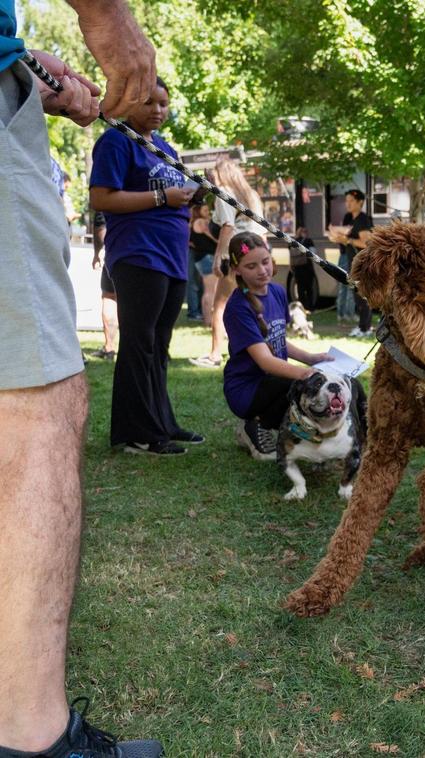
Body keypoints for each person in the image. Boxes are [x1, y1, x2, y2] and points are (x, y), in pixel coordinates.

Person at [0, 0, 166, 753]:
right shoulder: (123, 152)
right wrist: (106, 12)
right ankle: (31, 738)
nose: (155, 102)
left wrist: (23, 63)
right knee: (32, 402)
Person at [89, 75, 202, 456]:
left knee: (160, 342)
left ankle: (162, 423)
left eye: (163, 104)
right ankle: (135, 433)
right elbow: (101, 198)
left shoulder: (165, 146)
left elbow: (174, 196)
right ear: (129, 103)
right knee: (139, 342)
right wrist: (162, 197)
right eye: (149, 102)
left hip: (171, 258)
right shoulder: (117, 140)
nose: (157, 110)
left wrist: (191, 193)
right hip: (139, 254)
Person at [222, 232, 331, 460]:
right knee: (299, 386)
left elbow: (278, 339)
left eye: (265, 262)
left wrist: (310, 359)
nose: (262, 270)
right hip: (247, 390)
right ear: (237, 270)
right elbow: (265, 362)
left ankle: (282, 425)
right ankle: (254, 426)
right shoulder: (238, 307)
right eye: (251, 266)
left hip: (274, 381)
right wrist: (306, 374)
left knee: (299, 391)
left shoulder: (278, 292)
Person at [191, 156, 266, 368]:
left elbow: (227, 227)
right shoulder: (251, 195)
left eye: (214, 172)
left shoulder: (224, 193)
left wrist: (219, 258)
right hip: (258, 251)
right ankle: (261, 350)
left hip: (238, 254)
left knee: (220, 305)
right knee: (255, 304)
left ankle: (215, 354)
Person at [327, 189, 373, 337]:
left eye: (351, 201)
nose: (348, 204)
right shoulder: (348, 217)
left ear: (360, 202)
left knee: (363, 295)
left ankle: (365, 328)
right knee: (356, 296)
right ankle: (361, 326)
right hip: (350, 260)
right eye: (346, 201)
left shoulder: (363, 219)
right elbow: (343, 234)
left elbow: (366, 243)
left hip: (363, 263)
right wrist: (335, 235)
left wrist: (347, 240)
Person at [89, 215, 118, 361]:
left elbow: (101, 224)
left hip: (116, 253)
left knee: (109, 297)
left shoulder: (108, 192)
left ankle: (110, 347)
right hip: (149, 252)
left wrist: (97, 253)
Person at [187, 202, 216, 322]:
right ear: (198, 211)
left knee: (205, 289)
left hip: (201, 257)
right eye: (204, 210)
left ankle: (204, 315)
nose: (207, 212)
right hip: (207, 257)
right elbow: (215, 239)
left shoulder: (193, 223)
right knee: (209, 290)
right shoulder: (201, 222)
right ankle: (208, 318)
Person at [289, 225, 317, 308]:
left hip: (297, 268)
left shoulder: (293, 241)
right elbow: (313, 252)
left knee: (300, 289)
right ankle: (310, 307)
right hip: (307, 267)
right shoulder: (308, 241)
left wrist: (290, 265)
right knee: (309, 289)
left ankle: (302, 307)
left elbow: (291, 255)